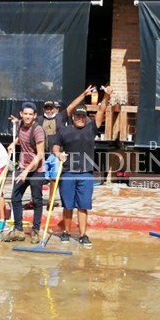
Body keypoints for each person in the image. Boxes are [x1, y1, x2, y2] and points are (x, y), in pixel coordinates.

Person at [51, 86, 114, 248]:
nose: (80, 118)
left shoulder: (91, 128)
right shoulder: (64, 130)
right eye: (78, 115)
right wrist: (58, 155)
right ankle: (65, 231)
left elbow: (101, 110)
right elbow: (55, 146)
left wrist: (106, 96)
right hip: (67, 173)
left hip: (85, 173)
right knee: (68, 205)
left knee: (83, 206)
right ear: (73, 117)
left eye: (83, 116)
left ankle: (83, 235)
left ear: (86, 117)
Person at [4, 102, 47, 243]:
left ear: (34, 116)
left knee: (37, 201)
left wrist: (26, 171)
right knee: (15, 197)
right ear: (21, 114)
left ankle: (35, 231)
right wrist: (13, 143)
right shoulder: (21, 125)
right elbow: (22, 138)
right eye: (25, 114)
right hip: (23, 167)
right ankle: (18, 230)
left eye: (31, 114)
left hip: (36, 170)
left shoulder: (38, 130)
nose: (28, 117)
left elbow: (40, 154)